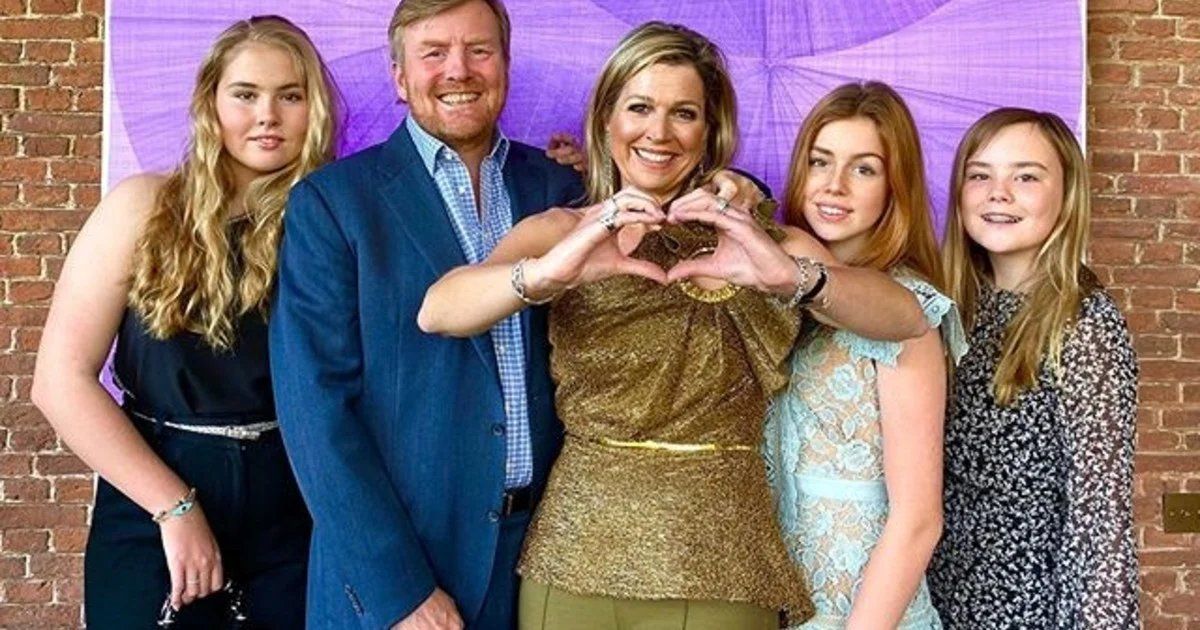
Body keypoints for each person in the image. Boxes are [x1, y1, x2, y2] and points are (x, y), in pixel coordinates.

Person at [419, 23, 930, 629]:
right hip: (572, 559)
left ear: (710, 131)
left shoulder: (761, 238)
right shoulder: (560, 232)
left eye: (683, 113)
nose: (658, 133)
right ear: (606, 119)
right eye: (639, 108)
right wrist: (550, 272)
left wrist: (789, 277)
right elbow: (438, 311)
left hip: (722, 564)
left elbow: (905, 316)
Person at [31, 16, 338, 628]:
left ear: (316, 109)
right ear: (210, 103)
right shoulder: (143, 206)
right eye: (245, 94)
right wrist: (174, 508)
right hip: (155, 494)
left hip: (293, 507)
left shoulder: (331, 224)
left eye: (291, 95)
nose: (267, 116)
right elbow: (59, 381)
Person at [763, 82, 966, 630]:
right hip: (770, 604)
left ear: (895, 186)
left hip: (864, 614)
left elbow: (918, 520)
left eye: (864, 169)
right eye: (820, 161)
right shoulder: (775, 296)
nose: (834, 185)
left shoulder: (907, 312)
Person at [927, 108, 1139, 628]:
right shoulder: (948, 307)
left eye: (1025, 177)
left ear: (1067, 195)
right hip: (937, 601)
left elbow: (1100, 513)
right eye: (980, 175)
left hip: (1030, 609)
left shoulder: (1083, 321)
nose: (998, 193)